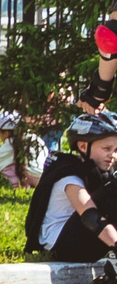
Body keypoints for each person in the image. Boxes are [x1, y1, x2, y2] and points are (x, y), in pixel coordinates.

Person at [27, 111, 117, 264]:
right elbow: (90, 216)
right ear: (83, 146)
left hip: (77, 237)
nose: (113, 155)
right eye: (107, 149)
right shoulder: (70, 176)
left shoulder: (93, 172)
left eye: (116, 150)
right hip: (60, 244)